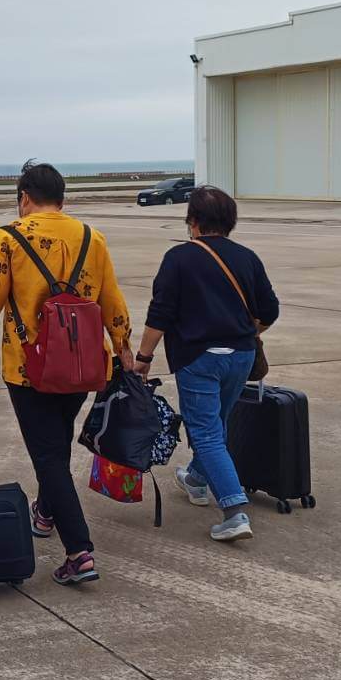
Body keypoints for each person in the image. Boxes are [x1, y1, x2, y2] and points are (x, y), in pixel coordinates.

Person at [0, 160, 135, 587]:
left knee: (46, 455)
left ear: (24, 197)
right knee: (56, 445)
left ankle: (79, 551)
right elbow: (112, 300)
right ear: (62, 197)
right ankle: (44, 514)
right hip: (85, 365)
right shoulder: (91, 238)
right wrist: (123, 347)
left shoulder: (7, 238)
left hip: (31, 368)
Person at [131, 185, 279, 543]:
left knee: (207, 433)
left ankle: (233, 511)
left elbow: (160, 314)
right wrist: (245, 331)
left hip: (198, 359)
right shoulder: (247, 257)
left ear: (192, 221)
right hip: (241, 356)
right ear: (229, 221)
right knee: (217, 424)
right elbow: (269, 310)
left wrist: (143, 358)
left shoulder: (179, 258)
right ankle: (196, 480)